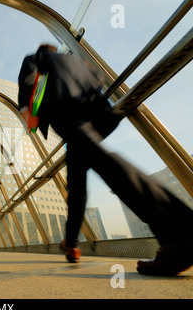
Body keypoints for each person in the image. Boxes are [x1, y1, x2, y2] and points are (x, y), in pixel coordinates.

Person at [18, 44, 193, 276]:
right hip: (95, 114)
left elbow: (31, 78)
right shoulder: (77, 61)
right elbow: (98, 79)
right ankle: (71, 243)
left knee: (107, 165)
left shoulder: (39, 58)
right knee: (77, 182)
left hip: (69, 112)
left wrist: (28, 110)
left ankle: (179, 233)